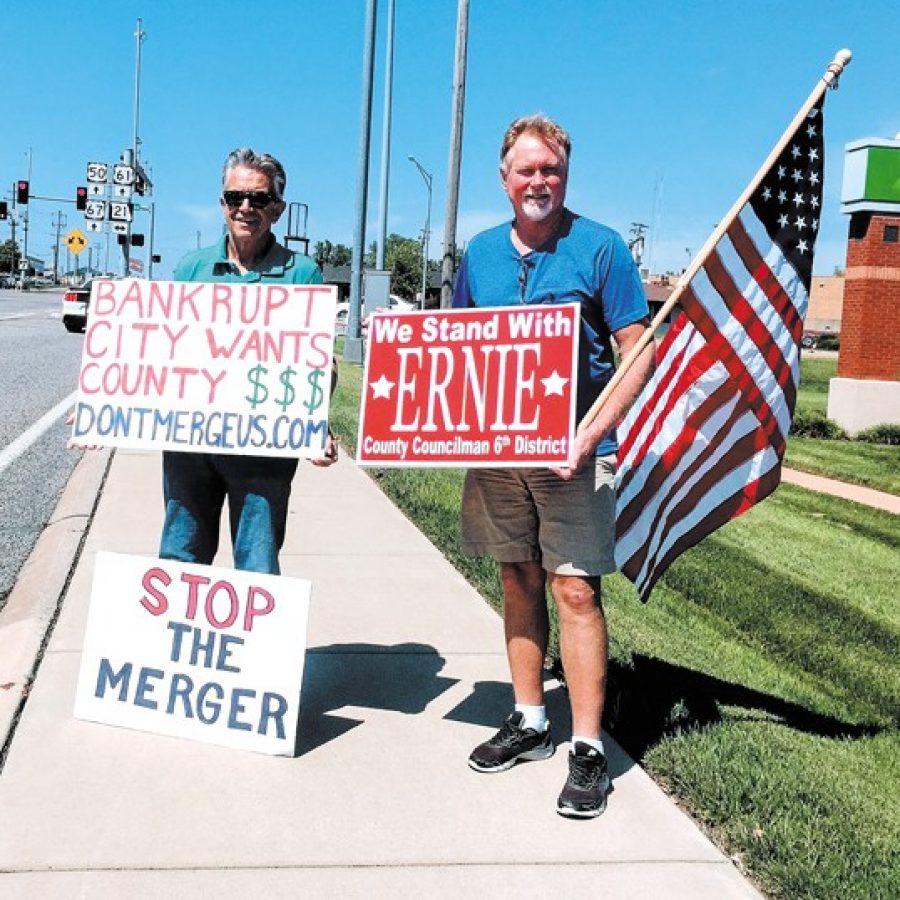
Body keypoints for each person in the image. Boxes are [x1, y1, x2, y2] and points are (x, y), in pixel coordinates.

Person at [452, 115, 655, 818]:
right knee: (516, 577)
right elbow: (453, 351)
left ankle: (589, 748)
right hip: (498, 457)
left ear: (564, 177)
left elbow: (639, 349)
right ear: (504, 179)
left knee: (574, 591)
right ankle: (531, 721)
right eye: (526, 170)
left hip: (576, 457)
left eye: (551, 171)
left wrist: (591, 433)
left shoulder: (600, 249)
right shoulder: (477, 253)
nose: (539, 181)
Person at [159, 148, 338, 575]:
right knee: (181, 557)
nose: (245, 207)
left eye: (258, 199)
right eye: (235, 196)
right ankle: (178, 643)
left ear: (277, 207)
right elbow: (157, 353)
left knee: (257, 565)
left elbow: (317, 362)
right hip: (191, 444)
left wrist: (316, 421)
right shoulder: (191, 269)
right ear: (222, 203)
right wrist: (103, 403)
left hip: (265, 449)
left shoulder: (303, 274)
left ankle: (251, 645)